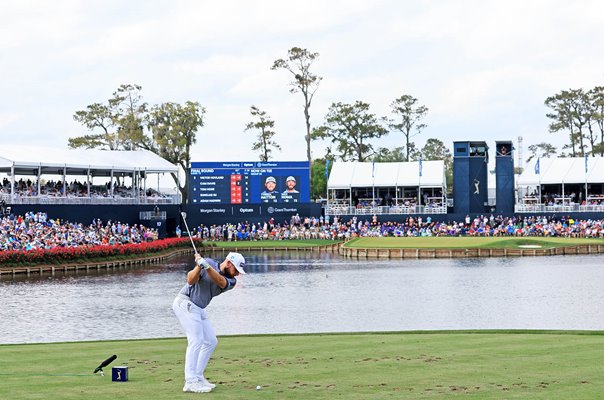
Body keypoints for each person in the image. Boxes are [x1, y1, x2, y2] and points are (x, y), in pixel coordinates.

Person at [172, 252, 246, 393]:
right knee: (196, 340)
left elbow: (220, 281)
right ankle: (190, 381)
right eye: (236, 269)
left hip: (199, 308)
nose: (237, 274)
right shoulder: (208, 263)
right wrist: (199, 267)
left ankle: (198, 377)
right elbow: (190, 280)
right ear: (229, 262)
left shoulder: (232, 281)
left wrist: (206, 266)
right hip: (185, 302)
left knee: (211, 341)